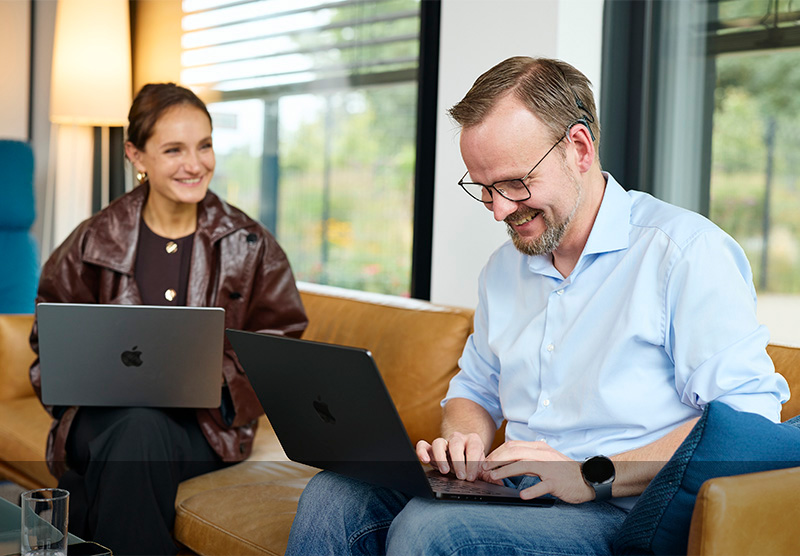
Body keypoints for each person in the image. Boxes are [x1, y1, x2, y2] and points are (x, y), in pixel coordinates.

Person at [284, 56, 790, 555]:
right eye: (483, 189)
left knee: (431, 530)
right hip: (518, 490)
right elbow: (475, 389)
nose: (500, 209)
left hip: (621, 508)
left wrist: (592, 473)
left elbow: (747, 421)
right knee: (334, 495)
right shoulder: (504, 269)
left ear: (579, 147)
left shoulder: (684, 252)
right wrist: (465, 443)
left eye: (514, 182)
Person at [29, 83, 308, 555]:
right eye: (174, 149)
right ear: (136, 155)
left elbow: (281, 347)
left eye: (204, 146)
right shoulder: (92, 241)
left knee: (126, 446)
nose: (195, 164)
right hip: (100, 419)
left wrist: (212, 381)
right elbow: (48, 346)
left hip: (205, 430)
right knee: (135, 428)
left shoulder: (250, 244)